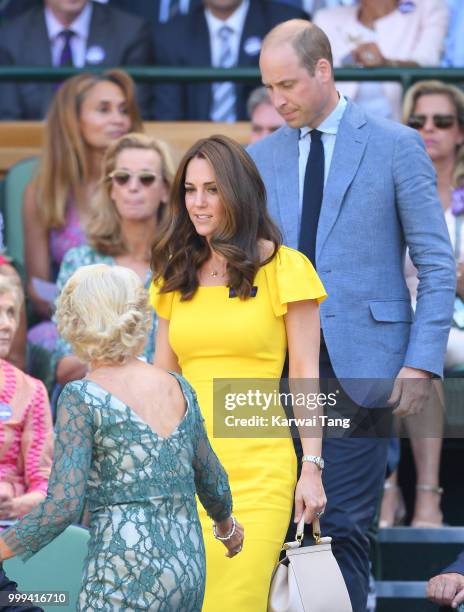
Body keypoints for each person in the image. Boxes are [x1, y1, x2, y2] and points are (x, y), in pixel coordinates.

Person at [248, 19, 455, 612]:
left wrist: (421, 363)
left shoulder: (395, 143)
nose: (277, 99)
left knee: (339, 528)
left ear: (323, 70)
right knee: (270, 525)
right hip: (274, 364)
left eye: (287, 84)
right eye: (268, 87)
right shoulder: (260, 157)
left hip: (362, 365)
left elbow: (436, 265)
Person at [150, 134, 327, 611]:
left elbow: (305, 375)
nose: (198, 203)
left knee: (238, 599)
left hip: (258, 467)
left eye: (212, 189)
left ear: (239, 193)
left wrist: (312, 466)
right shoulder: (175, 272)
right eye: (190, 189)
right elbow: (160, 382)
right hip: (184, 468)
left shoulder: (286, 269)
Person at [0, 264, 243, 611]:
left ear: (74, 321)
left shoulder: (82, 396)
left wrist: (3, 548)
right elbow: (212, 477)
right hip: (188, 566)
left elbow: (63, 506)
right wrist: (226, 525)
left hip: (124, 570)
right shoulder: (177, 385)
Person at [381, 80, 464, 529]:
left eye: (442, 121)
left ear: (460, 132)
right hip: (405, 313)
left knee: (424, 348)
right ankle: (388, 489)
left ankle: (427, 496)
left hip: (459, 324)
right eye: (418, 121)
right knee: (401, 346)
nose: (429, 129)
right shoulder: (391, 185)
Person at [23, 70, 141, 353]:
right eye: (104, 109)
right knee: (42, 340)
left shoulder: (141, 184)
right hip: (72, 320)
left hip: (137, 315)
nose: (119, 119)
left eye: (123, 110)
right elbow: (38, 290)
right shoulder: (42, 192)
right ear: (73, 120)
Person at [54, 132, 175, 385]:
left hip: (164, 400)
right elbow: (63, 367)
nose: (133, 186)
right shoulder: (80, 262)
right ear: (111, 189)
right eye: (122, 177)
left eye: (146, 178)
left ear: (165, 190)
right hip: (97, 402)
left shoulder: (182, 263)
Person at [153, 0, 307, 121]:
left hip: (265, 141)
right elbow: (168, 113)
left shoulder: (286, 24)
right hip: (195, 146)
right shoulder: (171, 34)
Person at [0, 0, 154, 119]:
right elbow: (8, 116)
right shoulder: (10, 36)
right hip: (34, 148)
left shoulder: (129, 31)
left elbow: (137, 112)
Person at [313, 0, 448, 120]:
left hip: (402, 130)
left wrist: (386, 64)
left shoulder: (428, 7)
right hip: (341, 132)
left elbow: (428, 63)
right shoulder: (326, 19)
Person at [0, 275, 53, 523]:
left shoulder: (31, 391)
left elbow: (44, 485)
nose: (7, 324)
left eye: (11, 313)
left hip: (10, 531)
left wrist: (14, 506)